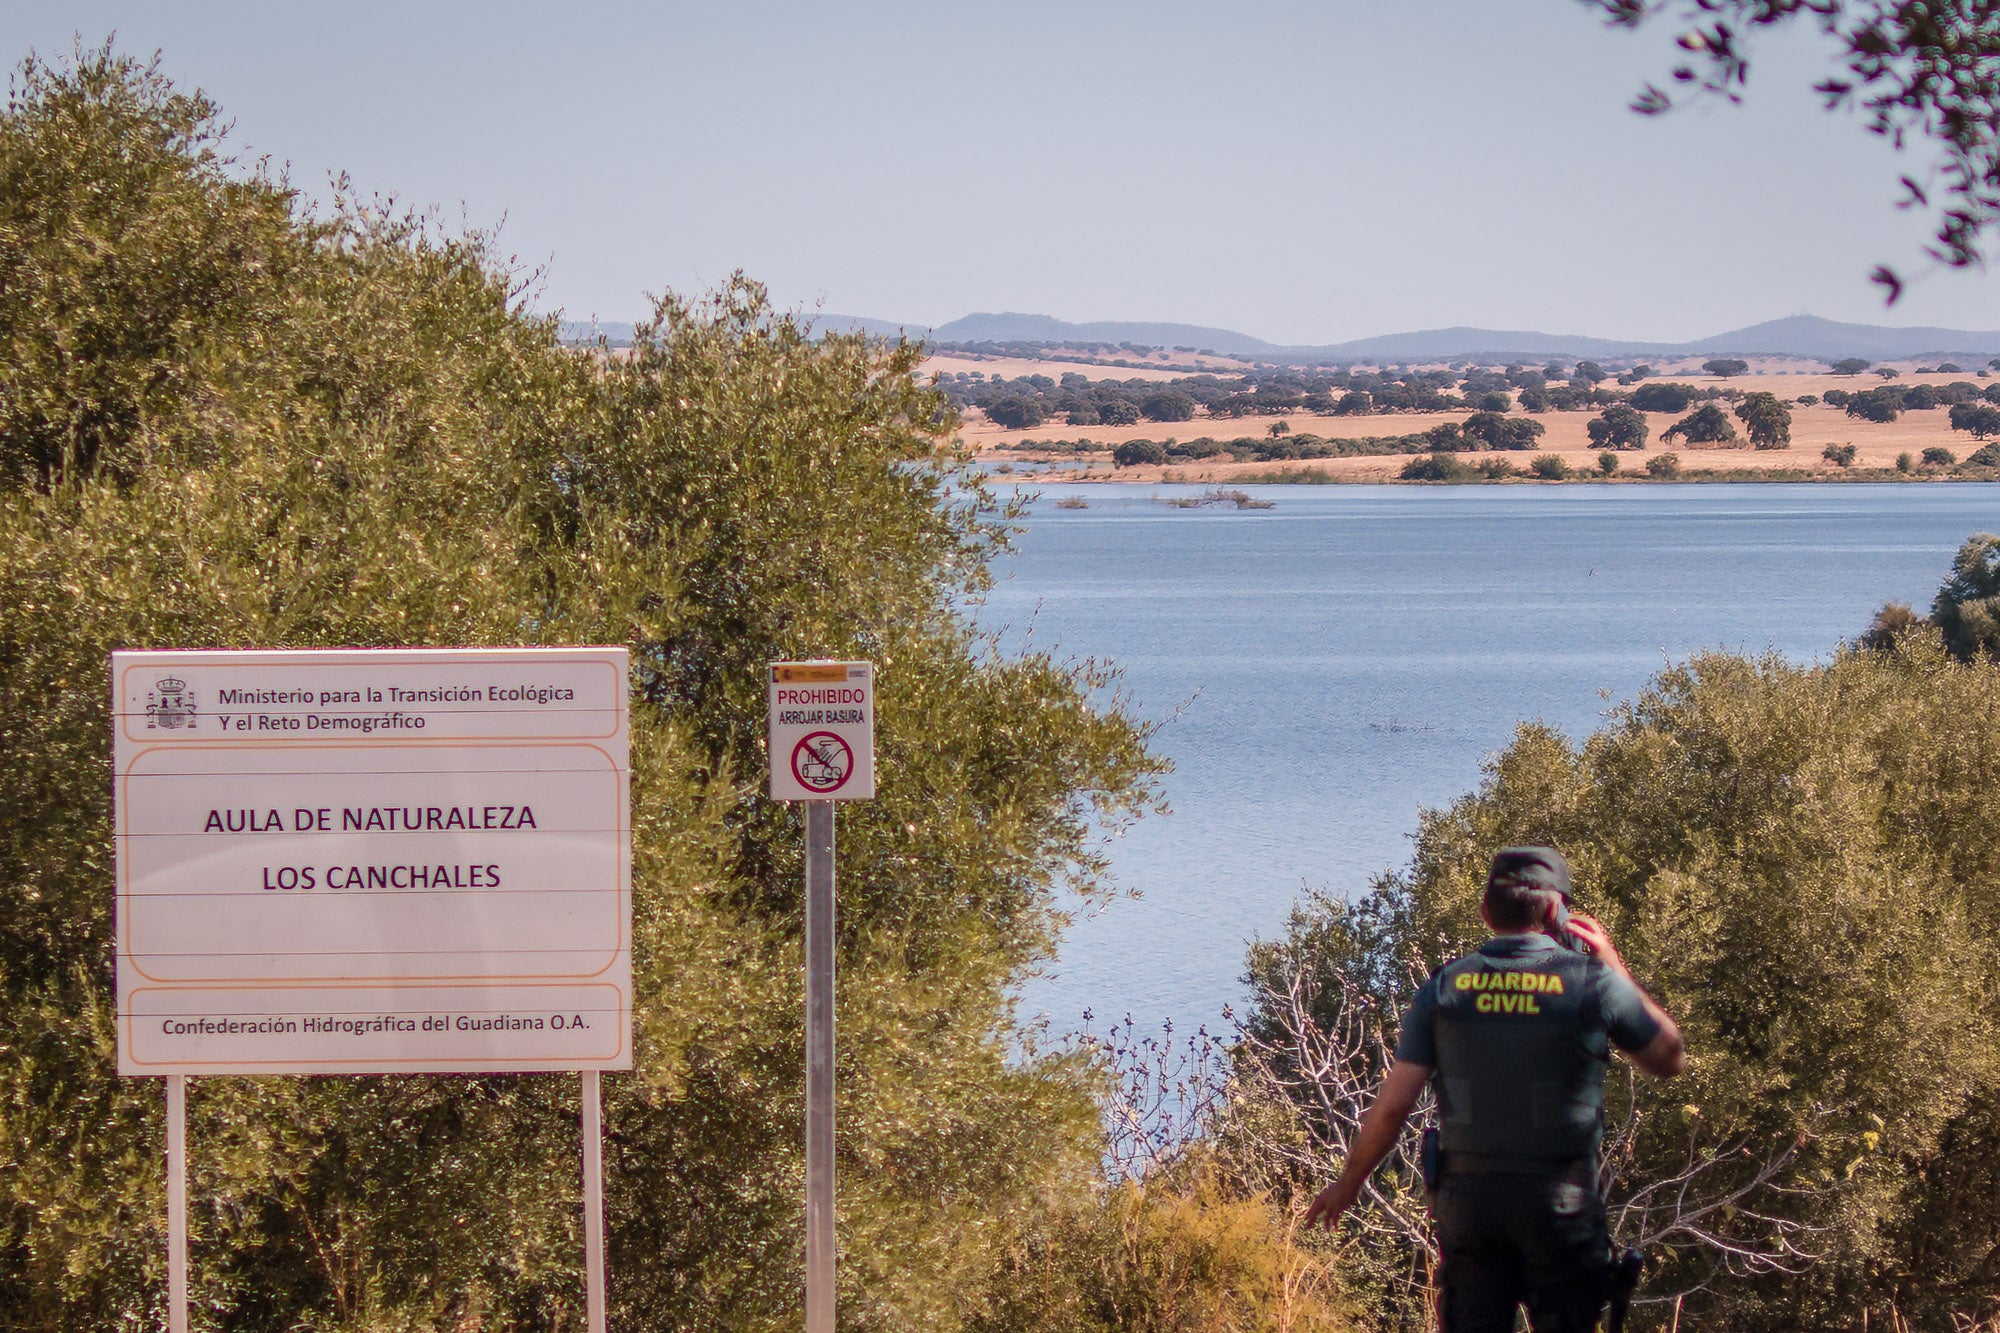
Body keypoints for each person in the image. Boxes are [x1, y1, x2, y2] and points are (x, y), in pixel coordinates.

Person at [1302, 846, 1685, 1333]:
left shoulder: (1445, 988)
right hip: (1560, 1204)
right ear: (1558, 913)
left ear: (1486, 911)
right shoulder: (1593, 983)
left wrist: (1348, 1183)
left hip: (1469, 1205)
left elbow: (1393, 1107)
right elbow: (1669, 1058)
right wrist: (1614, 967)